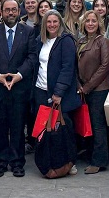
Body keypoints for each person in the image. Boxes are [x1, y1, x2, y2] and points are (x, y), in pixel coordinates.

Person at [0, 0, 37, 178]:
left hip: (19, 89)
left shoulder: (28, 31)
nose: (11, 13)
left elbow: (32, 57)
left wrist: (19, 75)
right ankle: (0, 162)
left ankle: (17, 162)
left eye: (14, 10)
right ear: (1, 13)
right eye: (7, 10)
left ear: (18, 11)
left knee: (18, 128)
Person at [32, 10, 82, 175]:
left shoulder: (66, 41)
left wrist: (59, 92)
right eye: (49, 22)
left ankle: (68, 161)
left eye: (55, 22)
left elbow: (68, 68)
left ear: (60, 23)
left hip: (60, 94)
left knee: (63, 129)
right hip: (41, 90)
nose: (52, 25)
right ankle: (50, 161)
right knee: (45, 130)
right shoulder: (40, 41)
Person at [77, 10, 109, 174]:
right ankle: (92, 154)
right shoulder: (81, 41)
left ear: (99, 23)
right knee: (88, 123)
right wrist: (79, 84)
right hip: (83, 88)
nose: (90, 23)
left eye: (94, 21)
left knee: (98, 126)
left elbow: (104, 67)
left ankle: (99, 161)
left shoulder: (103, 42)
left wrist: (88, 86)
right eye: (87, 21)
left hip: (98, 89)